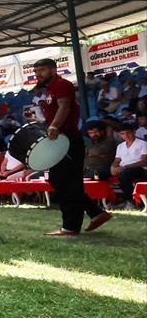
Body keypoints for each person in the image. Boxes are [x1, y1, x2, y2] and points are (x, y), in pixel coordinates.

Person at [32, 58, 111, 236]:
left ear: (53, 69)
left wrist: (54, 126)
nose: (38, 74)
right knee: (59, 180)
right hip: (61, 138)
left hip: (67, 138)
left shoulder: (61, 84)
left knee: (67, 181)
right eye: (36, 71)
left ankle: (71, 226)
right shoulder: (51, 89)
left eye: (42, 70)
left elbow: (65, 107)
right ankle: (95, 213)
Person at [111, 122, 147, 209]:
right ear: (119, 135)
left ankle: (130, 201)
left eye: (128, 133)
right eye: (123, 134)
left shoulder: (142, 143)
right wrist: (113, 166)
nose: (126, 136)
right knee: (100, 174)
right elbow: (117, 160)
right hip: (123, 168)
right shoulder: (120, 146)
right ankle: (111, 200)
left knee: (124, 174)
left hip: (139, 168)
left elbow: (145, 161)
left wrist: (126, 167)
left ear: (133, 131)